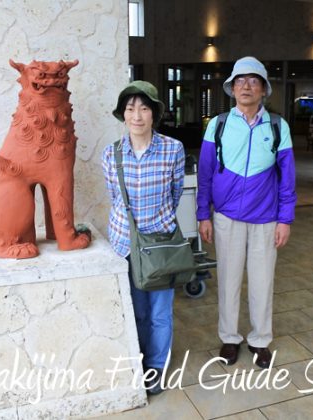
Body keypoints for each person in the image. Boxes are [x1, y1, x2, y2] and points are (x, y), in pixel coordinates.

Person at [197, 57, 297, 369]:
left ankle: (260, 340)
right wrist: (203, 214)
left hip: (266, 219)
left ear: (263, 89)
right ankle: (229, 338)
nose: (246, 86)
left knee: (262, 282)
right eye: (240, 80)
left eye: (254, 81)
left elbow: (287, 178)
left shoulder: (278, 126)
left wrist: (285, 219)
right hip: (226, 216)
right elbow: (205, 173)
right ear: (232, 88)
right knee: (228, 280)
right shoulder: (218, 124)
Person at [102, 80, 185, 394]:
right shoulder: (111, 154)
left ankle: (156, 367)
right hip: (125, 244)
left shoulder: (172, 150)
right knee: (136, 310)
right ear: (123, 115)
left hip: (160, 245)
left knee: (159, 312)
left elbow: (175, 194)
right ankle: (137, 361)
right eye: (130, 108)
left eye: (144, 108)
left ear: (154, 114)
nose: (137, 115)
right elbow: (115, 198)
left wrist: (157, 224)